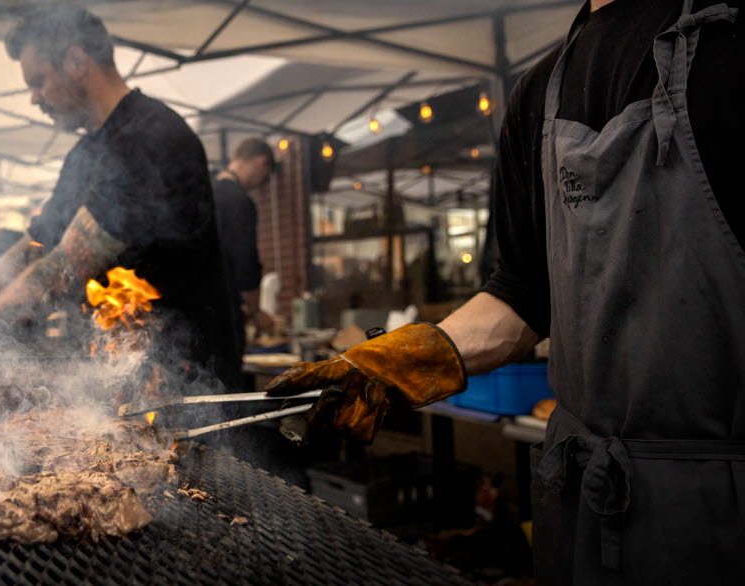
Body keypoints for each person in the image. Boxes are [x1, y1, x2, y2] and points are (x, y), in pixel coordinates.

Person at [264, 1, 745, 584]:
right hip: (580, 500)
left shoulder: (728, 45)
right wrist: (400, 360)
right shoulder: (539, 92)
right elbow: (521, 296)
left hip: (721, 504)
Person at [0, 5, 239, 387]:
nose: (33, 98)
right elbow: (37, 244)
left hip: (180, 377)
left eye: (38, 81)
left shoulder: (149, 138)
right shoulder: (84, 155)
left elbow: (63, 266)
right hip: (119, 369)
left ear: (76, 61)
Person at [213, 137, 274, 362]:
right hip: (224, 320)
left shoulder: (206, 190)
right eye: (265, 177)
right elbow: (245, 264)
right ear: (261, 161)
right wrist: (256, 312)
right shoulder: (239, 201)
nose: (260, 183)